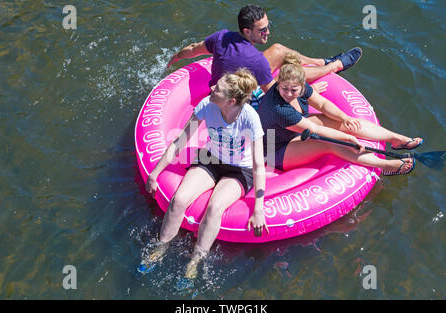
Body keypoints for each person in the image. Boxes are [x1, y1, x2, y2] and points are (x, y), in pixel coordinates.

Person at [141, 69, 268, 279]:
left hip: (240, 170)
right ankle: (160, 248)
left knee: (215, 206)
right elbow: (179, 141)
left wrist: (259, 209)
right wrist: (154, 174)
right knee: (179, 199)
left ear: (231, 100)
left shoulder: (249, 117)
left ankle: (194, 262)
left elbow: (258, 165)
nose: (211, 88)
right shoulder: (206, 106)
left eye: (217, 89)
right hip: (211, 159)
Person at [257, 53, 423, 176]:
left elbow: (322, 103)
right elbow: (314, 129)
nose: (288, 93)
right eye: (284, 88)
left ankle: (396, 139)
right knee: (331, 143)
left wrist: (345, 118)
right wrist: (348, 138)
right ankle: (385, 166)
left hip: (290, 132)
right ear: (278, 84)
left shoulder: (298, 87)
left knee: (346, 124)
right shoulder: (278, 108)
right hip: (274, 149)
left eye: (293, 90)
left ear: (301, 85)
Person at [166, 4, 362, 107]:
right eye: (262, 30)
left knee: (277, 48)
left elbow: (193, 49)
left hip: (227, 85)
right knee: (288, 74)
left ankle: (319, 61)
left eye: (268, 26)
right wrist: (308, 93)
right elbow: (278, 96)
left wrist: (172, 59)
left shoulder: (221, 37)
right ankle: (334, 66)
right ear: (247, 31)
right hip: (238, 102)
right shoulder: (255, 60)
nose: (267, 32)